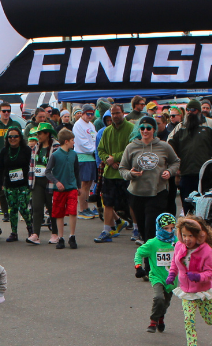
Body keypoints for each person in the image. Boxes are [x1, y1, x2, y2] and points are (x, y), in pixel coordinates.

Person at [165, 215, 212, 346]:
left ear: (199, 235)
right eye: (184, 235)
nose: (187, 239)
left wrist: (198, 276)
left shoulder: (206, 251)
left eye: (191, 235)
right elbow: (175, 262)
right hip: (186, 292)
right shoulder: (179, 246)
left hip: (202, 291)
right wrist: (172, 274)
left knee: (210, 320)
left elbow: (210, 272)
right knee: (188, 320)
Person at [121, 116, 180, 245]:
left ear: (154, 129)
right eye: (142, 128)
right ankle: (149, 255)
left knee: (151, 228)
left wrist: (169, 172)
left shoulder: (163, 146)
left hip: (157, 192)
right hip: (137, 193)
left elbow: (176, 162)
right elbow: (122, 169)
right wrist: (130, 174)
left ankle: (149, 263)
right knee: (142, 228)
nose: (145, 131)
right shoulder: (131, 147)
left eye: (148, 128)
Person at [168, 100, 212, 213]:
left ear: (199, 111)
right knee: (187, 205)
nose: (190, 112)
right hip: (186, 173)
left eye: (193, 110)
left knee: (206, 207)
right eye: (188, 110)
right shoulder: (180, 127)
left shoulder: (211, 124)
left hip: (206, 175)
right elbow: (169, 146)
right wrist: (176, 166)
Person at [94, 104, 134, 242]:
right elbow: (100, 150)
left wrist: (115, 158)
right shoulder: (106, 131)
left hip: (126, 173)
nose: (115, 116)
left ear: (123, 113)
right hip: (110, 173)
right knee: (108, 203)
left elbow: (132, 148)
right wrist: (109, 161)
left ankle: (136, 229)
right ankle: (107, 230)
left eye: (117, 113)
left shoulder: (131, 129)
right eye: (113, 114)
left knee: (131, 203)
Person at [135, 212, 179, 333]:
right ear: (159, 228)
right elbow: (139, 252)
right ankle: (153, 321)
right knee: (159, 298)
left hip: (172, 278)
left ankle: (161, 317)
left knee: (165, 303)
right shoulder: (153, 243)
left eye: (172, 228)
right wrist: (138, 267)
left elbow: (185, 256)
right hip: (157, 276)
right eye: (166, 228)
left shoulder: (177, 242)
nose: (169, 231)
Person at [44, 127, 80, 249]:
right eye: (72, 140)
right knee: (59, 213)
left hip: (72, 187)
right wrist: (56, 182)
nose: (73, 142)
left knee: (72, 211)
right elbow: (48, 171)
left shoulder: (74, 154)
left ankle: (72, 236)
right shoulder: (55, 155)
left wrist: (78, 186)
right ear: (66, 141)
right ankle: (61, 237)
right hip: (59, 189)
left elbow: (76, 171)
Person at [0, 127, 33, 241]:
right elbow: (0, 168)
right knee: (12, 208)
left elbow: (31, 166)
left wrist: (30, 181)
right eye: (10, 137)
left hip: (24, 184)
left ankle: (31, 229)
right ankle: (14, 232)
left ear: (20, 138)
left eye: (15, 136)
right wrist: (0, 183)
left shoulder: (26, 150)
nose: (13, 139)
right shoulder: (4, 151)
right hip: (9, 185)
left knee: (23, 207)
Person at [0, 101, 23, 216]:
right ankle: (5, 211)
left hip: (15, 161)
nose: (6, 113)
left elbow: (22, 142)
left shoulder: (15, 125)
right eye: (4, 111)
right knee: (2, 187)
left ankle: (15, 209)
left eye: (8, 111)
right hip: (0, 163)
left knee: (16, 185)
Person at [73, 104, 99, 218]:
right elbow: (82, 142)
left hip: (91, 156)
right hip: (83, 157)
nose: (90, 115)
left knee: (89, 184)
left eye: (92, 113)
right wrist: (93, 150)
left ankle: (86, 207)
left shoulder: (91, 125)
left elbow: (95, 138)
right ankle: (82, 209)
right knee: (84, 184)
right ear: (82, 113)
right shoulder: (78, 125)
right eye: (87, 113)